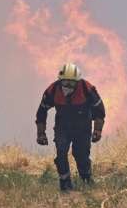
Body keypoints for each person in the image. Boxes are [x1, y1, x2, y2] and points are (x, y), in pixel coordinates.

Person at [36, 63, 106, 191]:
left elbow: (99, 110)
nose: (68, 86)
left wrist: (97, 130)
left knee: (81, 155)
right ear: (60, 80)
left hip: (83, 127)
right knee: (61, 153)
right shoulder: (52, 90)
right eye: (65, 82)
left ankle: (86, 179)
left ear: (77, 81)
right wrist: (41, 134)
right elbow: (41, 112)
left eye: (72, 83)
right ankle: (65, 184)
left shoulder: (87, 88)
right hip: (62, 127)